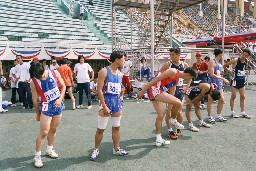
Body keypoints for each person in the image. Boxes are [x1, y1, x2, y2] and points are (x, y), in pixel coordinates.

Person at [137, 67, 197, 146]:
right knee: (179, 103)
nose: (189, 80)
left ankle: (159, 139)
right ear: (188, 75)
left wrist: (169, 109)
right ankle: (173, 120)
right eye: (190, 78)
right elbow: (155, 79)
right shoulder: (173, 72)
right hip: (154, 88)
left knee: (161, 115)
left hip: (159, 89)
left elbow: (172, 94)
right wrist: (143, 90)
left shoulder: (177, 79)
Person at [90, 51, 128, 161]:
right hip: (106, 103)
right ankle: (96, 149)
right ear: (117, 60)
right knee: (101, 129)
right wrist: (105, 106)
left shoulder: (120, 74)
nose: (124, 61)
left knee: (116, 127)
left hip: (117, 103)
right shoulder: (104, 71)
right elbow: (99, 90)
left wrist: (121, 91)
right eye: (123, 59)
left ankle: (116, 149)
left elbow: (118, 88)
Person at [30, 63, 66, 168]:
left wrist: (60, 100)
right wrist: (38, 114)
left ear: (43, 69)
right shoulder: (33, 82)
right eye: (37, 77)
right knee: (44, 132)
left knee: (53, 129)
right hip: (46, 107)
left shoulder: (54, 73)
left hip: (57, 105)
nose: (40, 78)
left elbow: (63, 86)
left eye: (41, 75)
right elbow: (35, 100)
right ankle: (37, 156)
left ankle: (49, 149)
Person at [158, 47, 191, 140]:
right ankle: (169, 130)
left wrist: (187, 86)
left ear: (178, 55)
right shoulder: (168, 64)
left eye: (173, 55)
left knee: (179, 111)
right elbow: (158, 75)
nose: (171, 57)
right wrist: (164, 87)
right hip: (170, 91)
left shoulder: (184, 65)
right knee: (169, 111)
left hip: (180, 90)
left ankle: (177, 129)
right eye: (170, 55)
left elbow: (190, 76)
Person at [223, 48, 252, 119]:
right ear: (242, 53)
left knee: (243, 96)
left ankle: (242, 112)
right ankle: (232, 111)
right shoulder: (236, 60)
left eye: (246, 55)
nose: (244, 56)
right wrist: (230, 72)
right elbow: (224, 66)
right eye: (243, 54)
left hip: (242, 80)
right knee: (234, 96)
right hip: (235, 80)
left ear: (248, 56)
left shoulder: (246, 61)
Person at [207, 49, 230, 123]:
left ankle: (218, 115)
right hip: (212, 83)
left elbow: (217, 73)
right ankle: (209, 116)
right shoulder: (212, 62)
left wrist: (222, 74)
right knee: (210, 101)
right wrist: (223, 78)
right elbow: (211, 74)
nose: (223, 55)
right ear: (220, 54)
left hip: (218, 83)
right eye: (222, 54)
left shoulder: (218, 62)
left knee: (222, 100)